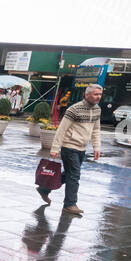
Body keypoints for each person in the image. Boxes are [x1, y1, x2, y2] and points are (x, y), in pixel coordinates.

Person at [39, 83, 102, 214]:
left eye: (100, 94)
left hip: (82, 148)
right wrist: (55, 148)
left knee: (69, 174)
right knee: (74, 175)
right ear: (87, 95)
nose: (98, 97)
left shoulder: (97, 110)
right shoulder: (74, 109)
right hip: (69, 146)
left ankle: (44, 189)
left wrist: (96, 147)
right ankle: (70, 204)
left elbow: (96, 130)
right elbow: (62, 129)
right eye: (95, 94)